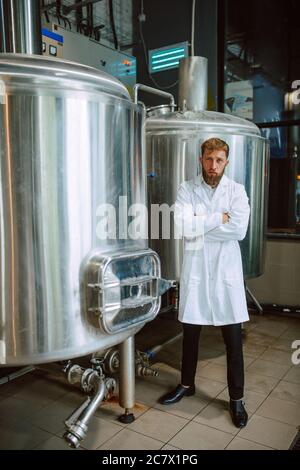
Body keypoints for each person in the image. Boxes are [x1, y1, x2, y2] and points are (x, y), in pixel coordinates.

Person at [159, 137, 250, 428]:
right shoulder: (187, 188)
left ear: (227, 161)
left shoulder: (236, 190)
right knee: (190, 335)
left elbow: (239, 230)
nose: (214, 165)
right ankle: (187, 385)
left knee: (233, 341)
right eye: (209, 159)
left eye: (219, 160)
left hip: (226, 275)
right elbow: (182, 226)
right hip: (197, 271)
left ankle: (237, 399)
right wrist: (218, 217)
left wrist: (202, 222)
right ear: (201, 159)